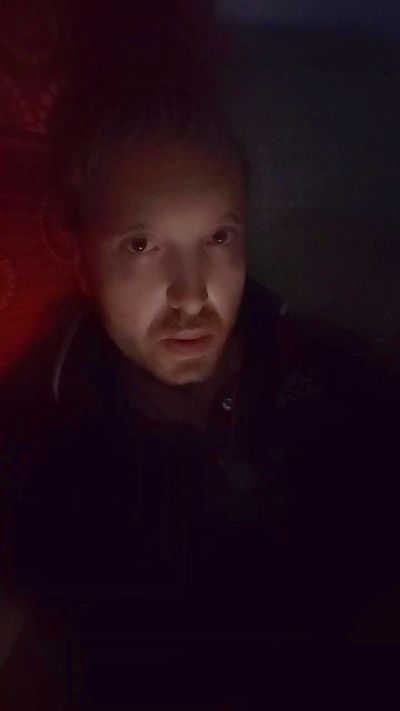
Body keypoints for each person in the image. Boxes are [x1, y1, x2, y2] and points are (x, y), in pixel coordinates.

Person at [0, 82, 397, 709]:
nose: (191, 296)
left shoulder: (336, 375)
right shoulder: (34, 436)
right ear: (80, 259)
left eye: (218, 238)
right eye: (141, 245)